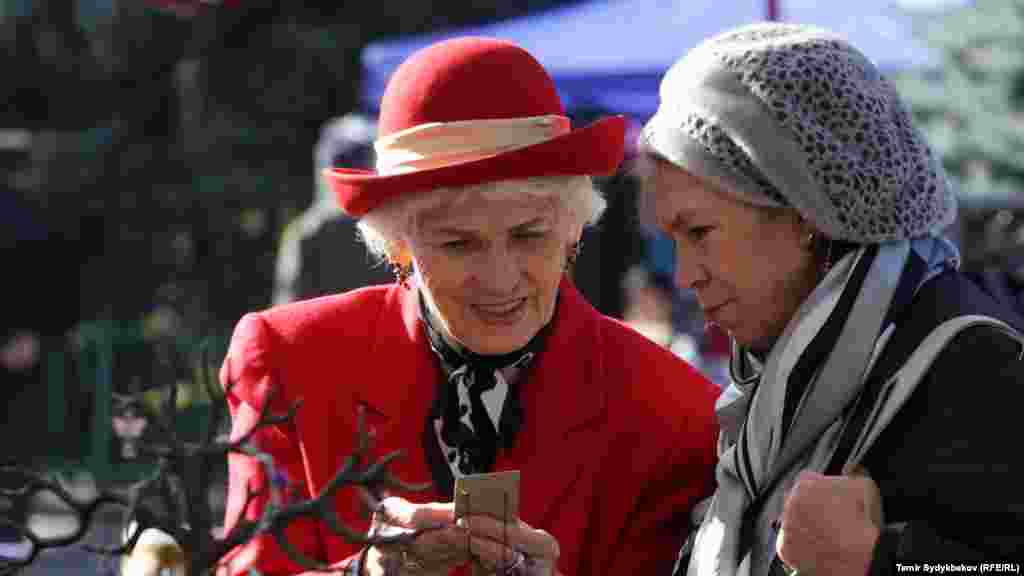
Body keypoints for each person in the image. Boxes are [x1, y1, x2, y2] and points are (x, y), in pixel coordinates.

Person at [219, 37, 719, 576]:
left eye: (529, 236)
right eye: (458, 244)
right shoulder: (291, 362)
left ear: (573, 228)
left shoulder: (676, 412)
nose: (500, 278)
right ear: (398, 244)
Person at [637, 22, 1024, 575]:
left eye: (699, 232)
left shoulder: (970, 364)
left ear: (804, 215)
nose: (683, 276)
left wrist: (877, 560)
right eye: (671, 241)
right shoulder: (778, 383)